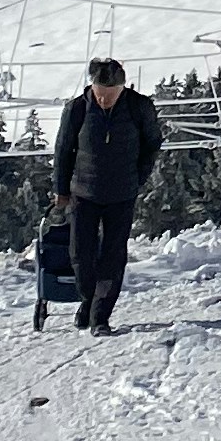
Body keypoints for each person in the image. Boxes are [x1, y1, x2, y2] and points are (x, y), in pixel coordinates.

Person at [53, 57, 166, 334]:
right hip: (83, 193)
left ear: (122, 90)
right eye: (100, 94)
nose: (104, 100)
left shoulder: (139, 107)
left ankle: (100, 317)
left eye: (110, 95)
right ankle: (88, 301)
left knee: (113, 256)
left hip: (122, 194)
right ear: (92, 87)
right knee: (81, 253)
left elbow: (152, 144)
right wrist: (61, 191)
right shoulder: (77, 109)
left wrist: (139, 177)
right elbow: (63, 151)